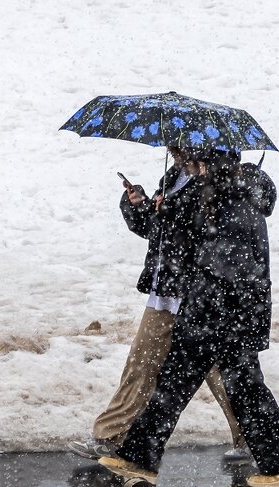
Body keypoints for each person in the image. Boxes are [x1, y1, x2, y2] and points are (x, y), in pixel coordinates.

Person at [98, 148, 279, 487]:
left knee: (233, 388)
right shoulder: (218, 195)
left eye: (195, 164)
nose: (190, 168)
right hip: (213, 309)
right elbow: (177, 233)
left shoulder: (234, 201)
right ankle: (139, 459)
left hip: (225, 312)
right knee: (185, 384)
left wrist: (171, 216)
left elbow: (229, 262)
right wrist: (153, 209)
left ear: (210, 166)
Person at [69, 146, 251, 463]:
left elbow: (209, 232)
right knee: (142, 363)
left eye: (178, 143)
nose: (172, 148)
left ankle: (253, 438)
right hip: (166, 287)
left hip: (197, 291)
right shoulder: (173, 176)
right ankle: (111, 436)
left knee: (216, 370)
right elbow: (156, 230)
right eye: (171, 143)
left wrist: (172, 211)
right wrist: (136, 206)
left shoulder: (218, 182)